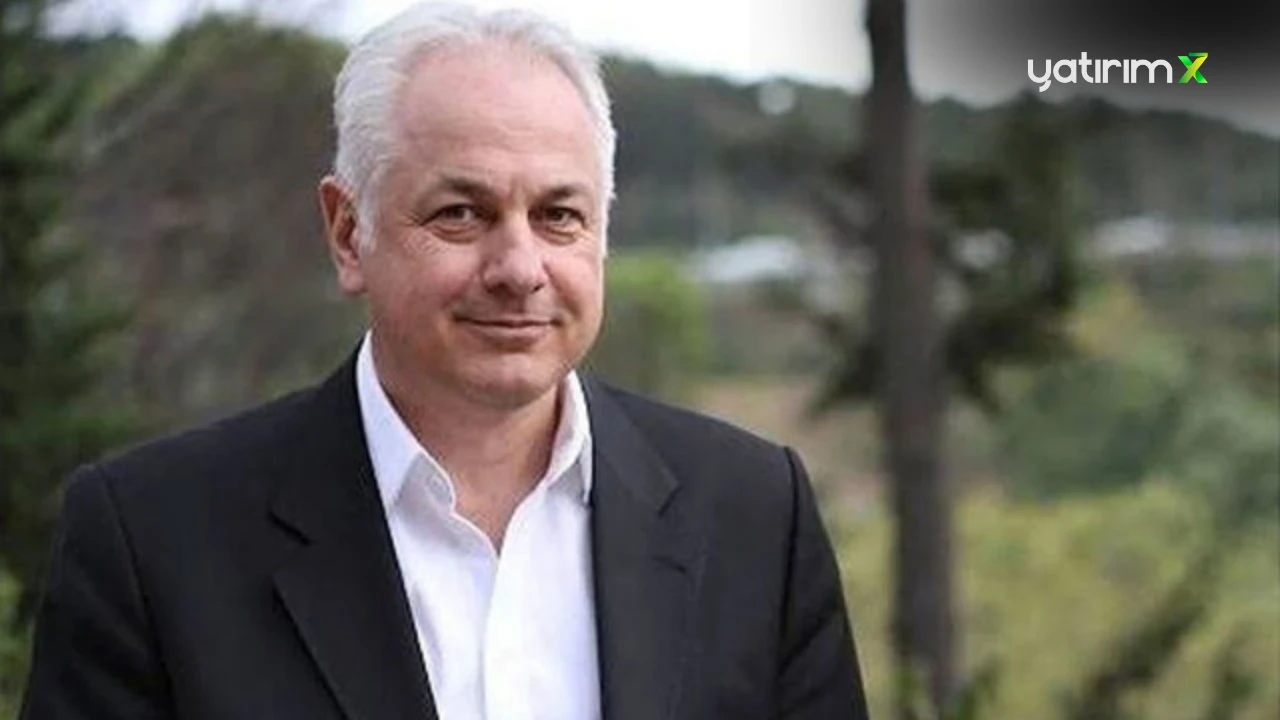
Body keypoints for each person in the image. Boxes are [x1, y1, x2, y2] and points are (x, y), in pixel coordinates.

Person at [19, 3, 869, 718]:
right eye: (461, 213)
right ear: (348, 233)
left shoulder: (755, 517)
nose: (520, 268)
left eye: (560, 215)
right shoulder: (154, 542)